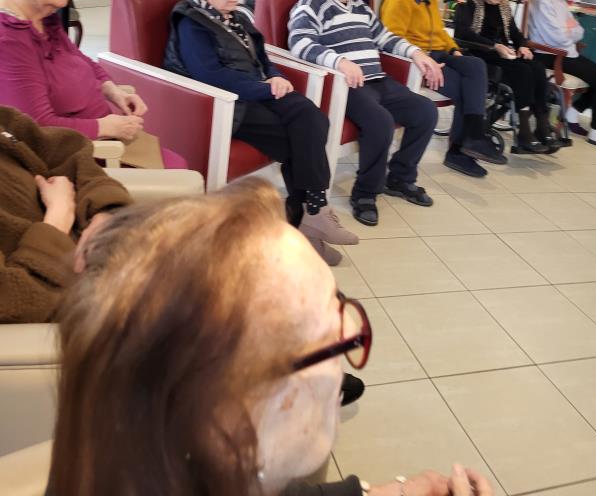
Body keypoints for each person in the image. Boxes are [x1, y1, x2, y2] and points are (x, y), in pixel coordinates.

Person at [49, 179, 494, 496]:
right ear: (227, 413)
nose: (354, 331)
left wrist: (390, 492)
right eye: (332, 338)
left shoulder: (168, 462)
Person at [163, 0, 358, 264]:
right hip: (227, 103)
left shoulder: (237, 16)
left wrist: (276, 76)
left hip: (258, 91)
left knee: (313, 120)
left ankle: (313, 213)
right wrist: (265, 88)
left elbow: (263, 58)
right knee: (298, 140)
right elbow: (210, 76)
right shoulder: (191, 21)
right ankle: (309, 222)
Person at [0, 0, 185, 168]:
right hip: (75, 158)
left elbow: (82, 60)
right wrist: (104, 127)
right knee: (182, 173)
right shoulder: (10, 41)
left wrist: (113, 91)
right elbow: (37, 128)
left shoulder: (45, 18)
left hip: (104, 139)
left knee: (179, 164)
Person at [288, 0, 442, 227]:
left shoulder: (359, 6)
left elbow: (385, 38)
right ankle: (365, 194)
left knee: (426, 111)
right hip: (346, 85)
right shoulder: (312, 3)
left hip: (378, 80)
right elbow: (300, 43)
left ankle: (400, 178)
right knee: (381, 122)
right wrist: (340, 61)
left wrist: (417, 54)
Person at [0, 105, 132, 323]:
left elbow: (69, 152)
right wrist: (58, 219)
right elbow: (15, 299)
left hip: (106, 262)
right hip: (74, 312)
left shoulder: (6, 120)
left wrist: (105, 211)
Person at [380, 0, 506, 177]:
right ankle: (459, 151)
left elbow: (439, 32)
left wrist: (454, 50)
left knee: (476, 65)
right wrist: (423, 58)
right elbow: (392, 39)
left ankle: (473, 137)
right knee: (466, 89)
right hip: (417, 60)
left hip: (438, 54)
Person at [454, 0, 558, 153]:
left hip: (502, 54)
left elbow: (515, 34)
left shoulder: (504, 7)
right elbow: (463, 34)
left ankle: (542, 126)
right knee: (523, 71)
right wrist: (495, 46)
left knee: (537, 67)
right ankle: (524, 133)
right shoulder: (472, 4)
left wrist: (523, 46)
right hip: (480, 55)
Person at [528, 0, 596, 147]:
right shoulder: (543, 2)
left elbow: (579, 32)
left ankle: (573, 115)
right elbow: (557, 38)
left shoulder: (560, 3)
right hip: (550, 56)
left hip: (566, 53)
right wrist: (568, 29)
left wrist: (567, 30)